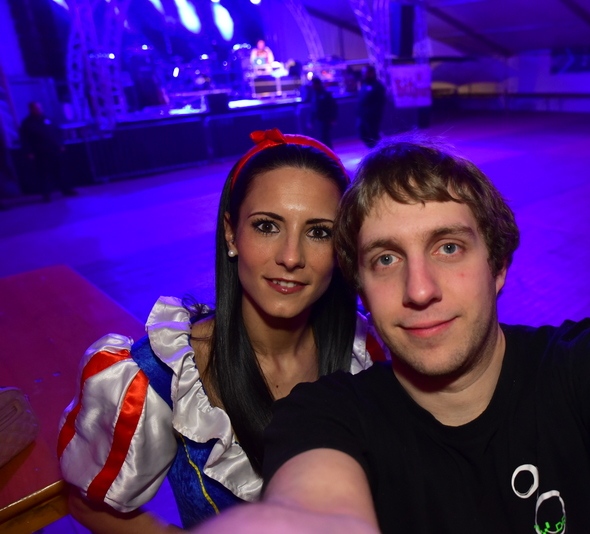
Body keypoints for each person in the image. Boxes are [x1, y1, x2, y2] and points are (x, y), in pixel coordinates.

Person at [195, 136, 590, 534]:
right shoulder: (325, 417)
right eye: (385, 259)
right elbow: (315, 503)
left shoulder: (585, 370)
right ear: (361, 292)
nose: (420, 289)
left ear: (499, 265)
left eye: (448, 247)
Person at [57, 128, 387, 532]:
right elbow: (87, 506)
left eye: (319, 232)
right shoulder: (164, 377)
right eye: (267, 226)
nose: (290, 257)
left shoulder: (362, 351)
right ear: (231, 233)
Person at [19, 101, 76, 201]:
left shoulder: (48, 119)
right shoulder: (27, 123)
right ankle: (46, 194)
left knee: (60, 171)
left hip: (54, 150)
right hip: (40, 152)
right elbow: (25, 139)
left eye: (40, 108)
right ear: (31, 109)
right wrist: (29, 152)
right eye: (36, 108)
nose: (39, 110)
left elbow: (57, 132)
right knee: (44, 174)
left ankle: (66, 189)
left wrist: (60, 144)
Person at [357, 65, 386, 148]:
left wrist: (374, 113)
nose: (364, 74)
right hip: (362, 115)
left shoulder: (378, 86)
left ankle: (378, 149)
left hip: (372, 116)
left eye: (366, 72)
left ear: (371, 73)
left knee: (373, 134)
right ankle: (372, 148)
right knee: (362, 132)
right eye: (363, 73)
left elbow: (380, 102)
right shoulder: (363, 84)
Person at [307, 77, 337, 149]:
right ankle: (325, 152)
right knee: (321, 139)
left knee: (325, 138)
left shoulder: (325, 94)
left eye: (313, 84)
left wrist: (333, 118)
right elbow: (313, 109)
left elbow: (333, 106)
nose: (312, 86)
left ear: (317, 84)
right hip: (318, 120)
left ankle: (329, 152)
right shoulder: (314, 95)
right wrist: (310, 120)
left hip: (326, 120)